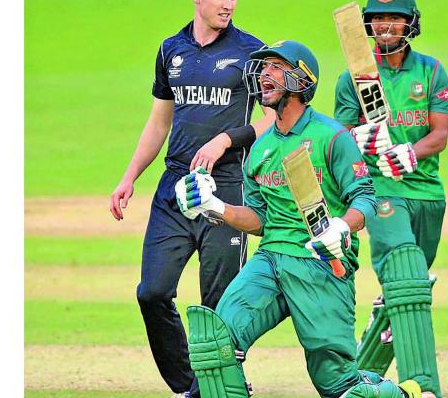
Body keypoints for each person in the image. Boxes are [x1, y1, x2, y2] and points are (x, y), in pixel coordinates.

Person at [175, 40, 423, 398]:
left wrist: (342, 225)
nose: (264, 74)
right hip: (270, 260)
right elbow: (260, 218)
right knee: (217, 341)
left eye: (276, 67)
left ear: (302, 79)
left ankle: (400, 394)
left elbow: (365, 198)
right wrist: (215, 207)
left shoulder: (331, 136)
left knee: (338, 386)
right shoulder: (260, 149)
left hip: (320, 264)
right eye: (262, 68)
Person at [108, 0, 275, 397]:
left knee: (218, 306)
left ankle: (217, 387)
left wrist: (226, 139)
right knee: (152, 292)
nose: (229, 5)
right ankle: (189, 386)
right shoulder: (170, 50)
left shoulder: (252, 52)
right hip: (175, 190)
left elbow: (274, 120)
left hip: (227, 189)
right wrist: (129, 177)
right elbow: (159, 122)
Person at [333, 0, 448, 398]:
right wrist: (360, 137)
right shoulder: (354, 79)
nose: (385, 25)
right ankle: (425, 386)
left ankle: (358, 383)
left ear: (409, 23)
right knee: (404, 274)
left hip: (426, 192)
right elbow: (340, 135)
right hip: (381, 189)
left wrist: (412, 155)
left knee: (403, 294)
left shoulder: (431, 70)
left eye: (394, 18)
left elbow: (439, 135)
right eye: (379, 18)